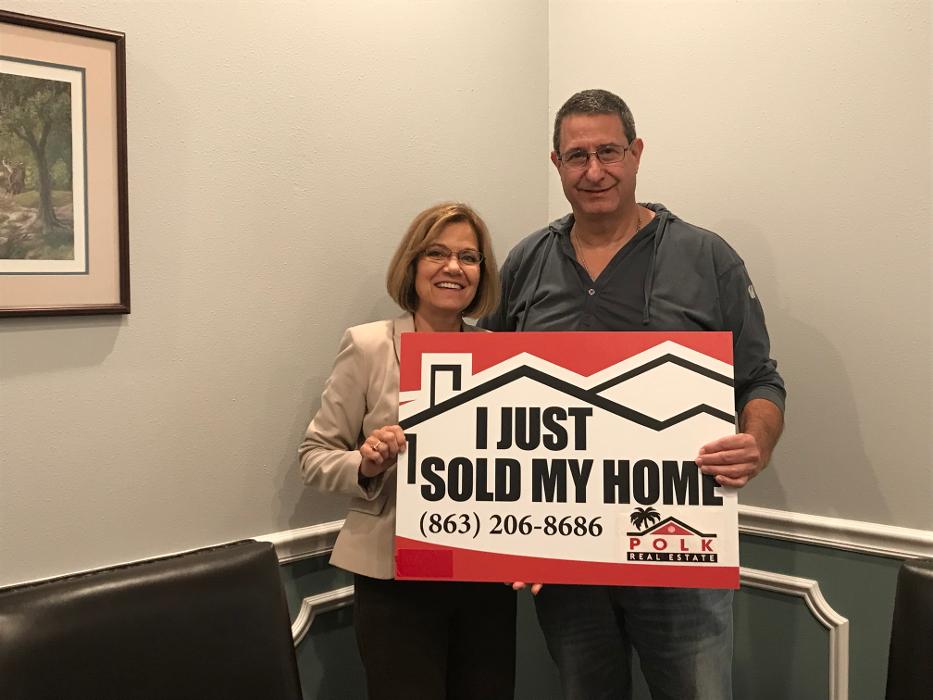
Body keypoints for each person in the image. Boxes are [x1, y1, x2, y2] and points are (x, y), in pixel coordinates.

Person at [480, 89, 786, 700]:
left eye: (609, 152)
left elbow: (760, 379)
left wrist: (755, 442)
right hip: (565, 555)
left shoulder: (706, 256)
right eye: (577, 156)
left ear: (637, 152)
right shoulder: (527, 261)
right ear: (557, 163)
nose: (594, 171)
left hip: (680, 550)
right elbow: (486, 389)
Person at [299, 202, 516, 700]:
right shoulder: (368, 346)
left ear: (481, 272)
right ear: (412, 264)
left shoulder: (498, 354)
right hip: (395, 578)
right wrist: (366, 462)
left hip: (482, 574)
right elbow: (314, 455)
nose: (453, 267)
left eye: (468, 257)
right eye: (437, 253)